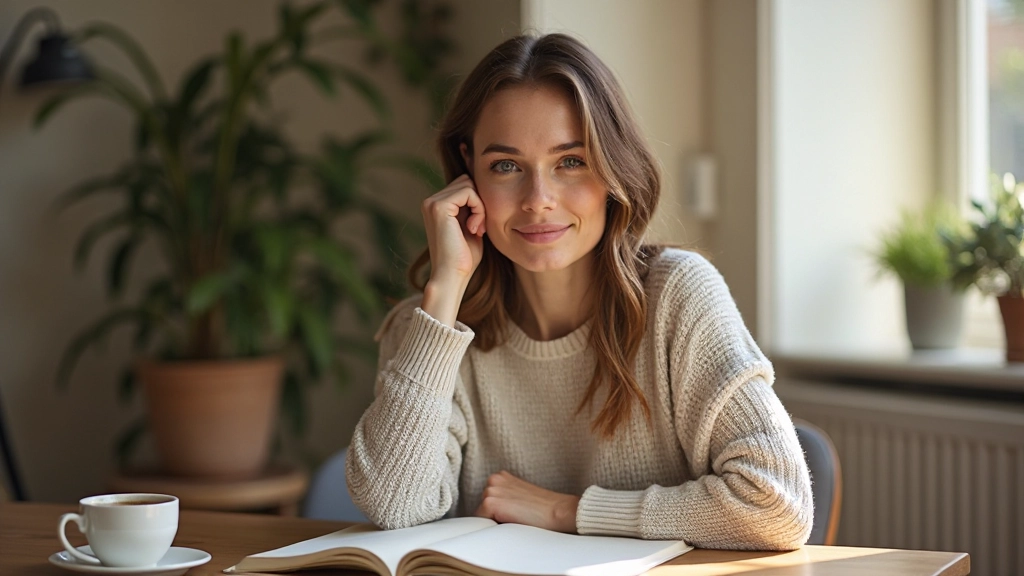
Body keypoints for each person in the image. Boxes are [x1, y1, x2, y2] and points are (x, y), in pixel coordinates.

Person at [346, 33, 812, 550]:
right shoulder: (431, 328)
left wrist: (564, 511)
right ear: (468, 170)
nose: (538, 200)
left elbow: (777, 505)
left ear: (612, 169)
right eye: (506, 166)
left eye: (570, 161)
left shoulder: (678, 296)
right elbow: (394, 505)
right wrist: (445, 288)